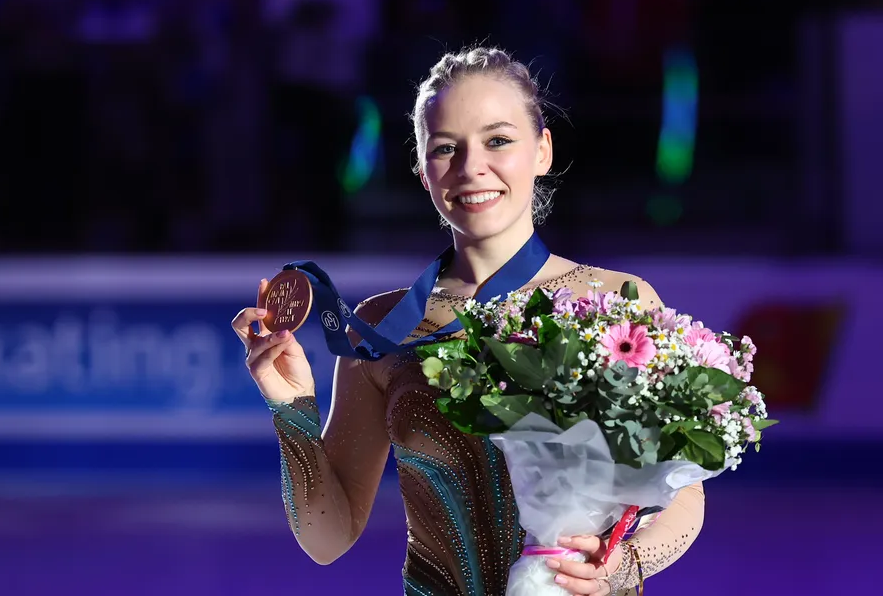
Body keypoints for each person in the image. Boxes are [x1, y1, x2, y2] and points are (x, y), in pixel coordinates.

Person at [231, 46, 706, 595]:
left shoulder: (617, 302)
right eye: (445, 148)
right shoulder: (382, 328)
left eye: (498, 140)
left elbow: (684, 494)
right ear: (421, 169)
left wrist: (626, 563)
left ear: (543, 150)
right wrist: (291, 409)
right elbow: (326, 539)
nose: (471, 167)